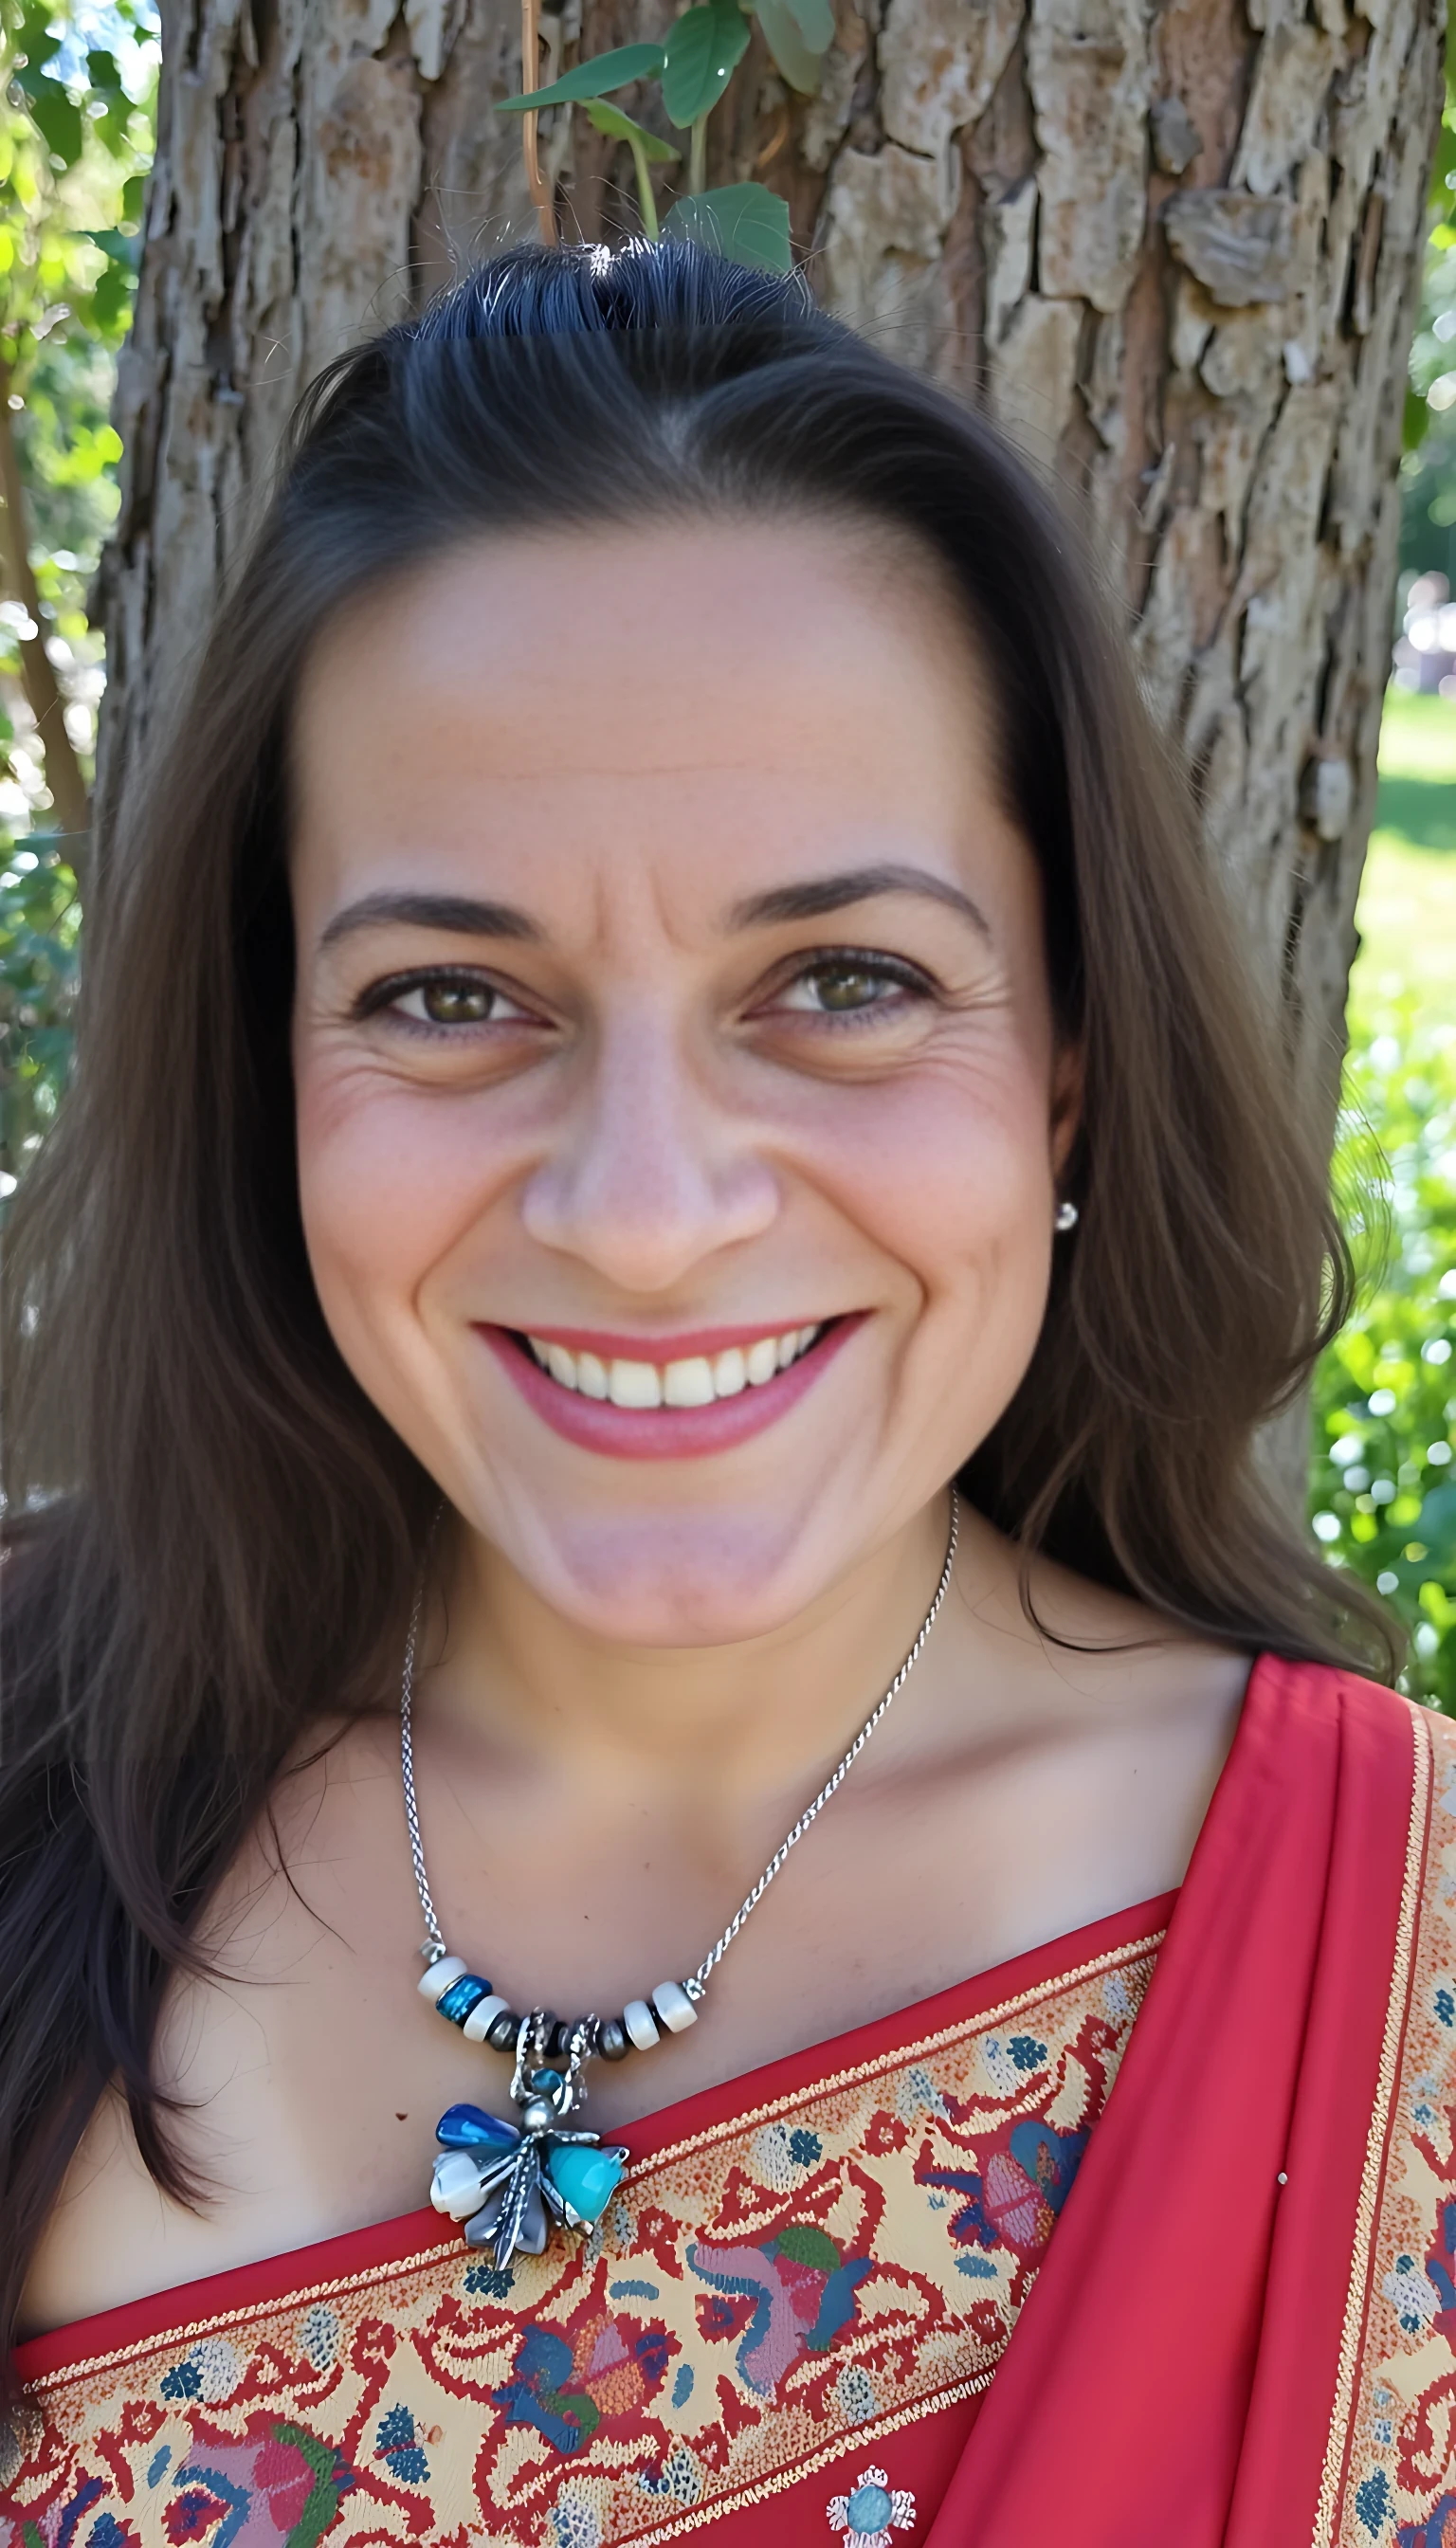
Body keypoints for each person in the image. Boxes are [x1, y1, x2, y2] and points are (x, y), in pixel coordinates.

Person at [1, 241, 1450, 2548]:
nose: (648, 1211)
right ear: (266, 1067)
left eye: (845, 979)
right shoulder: (28, 1750)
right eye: (456, 999)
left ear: (1067, 1072)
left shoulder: (1392, 1965)